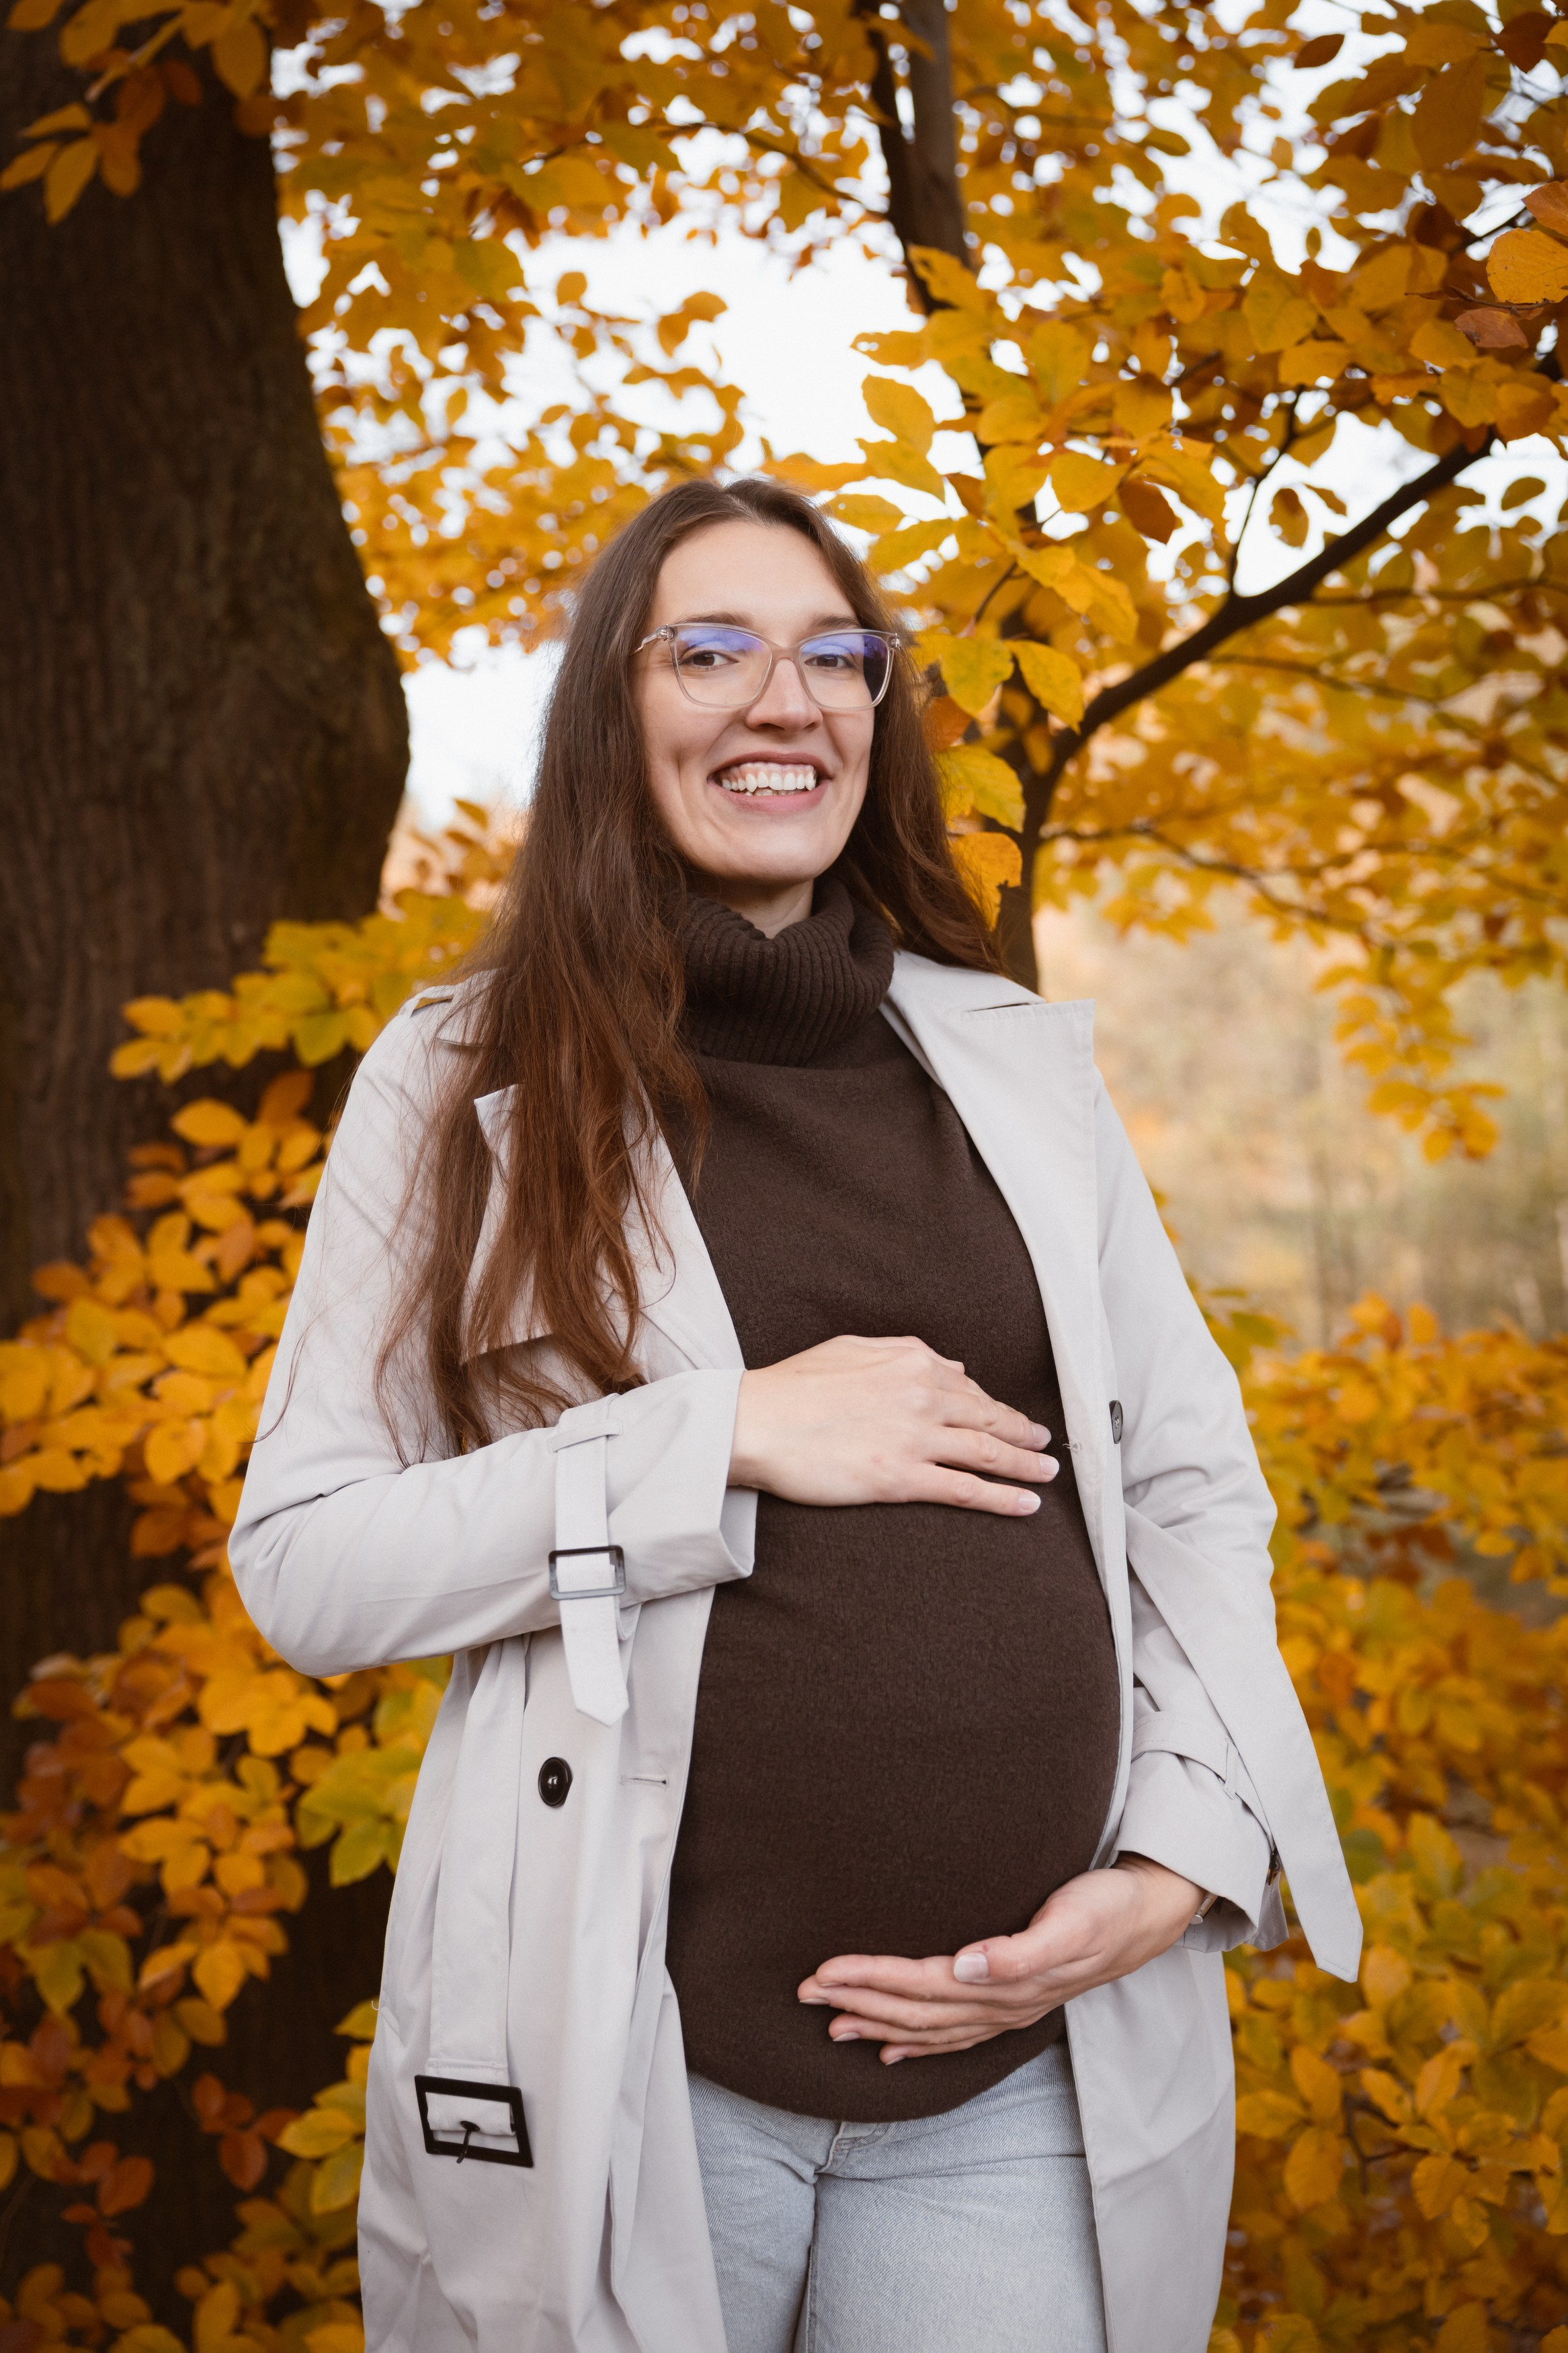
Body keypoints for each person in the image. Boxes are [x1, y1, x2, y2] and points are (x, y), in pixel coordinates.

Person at [230, 475, 1359, 2353]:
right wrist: (721, 1432)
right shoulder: (461, 1074)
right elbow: (308, 1564)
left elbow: (1185, 1483)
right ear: (614, 711)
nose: (789, 698)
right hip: (648, 2065)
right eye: (714, 650)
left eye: (837, 654)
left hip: (1017, 2068)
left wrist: (1179, 1852)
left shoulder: (1010, 1055)